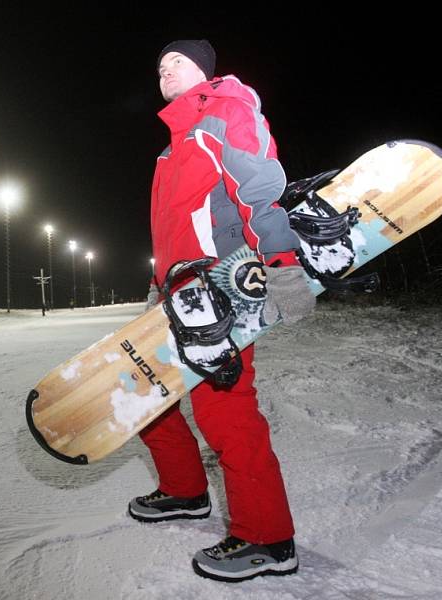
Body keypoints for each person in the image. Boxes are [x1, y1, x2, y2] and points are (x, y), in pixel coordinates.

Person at [128, 39, 315, 583]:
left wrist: (281, 266)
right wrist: (159, 287)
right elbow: (174, 232)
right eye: (160, 65)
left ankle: (268, 538)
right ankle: (186, 491)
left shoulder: (225, 111)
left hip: (221, 287)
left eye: (177, 62)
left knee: (225, 410)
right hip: (177, 292)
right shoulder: (172, 147)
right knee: (147, 390)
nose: (165, 71)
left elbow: (259, 189)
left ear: (204, 70)